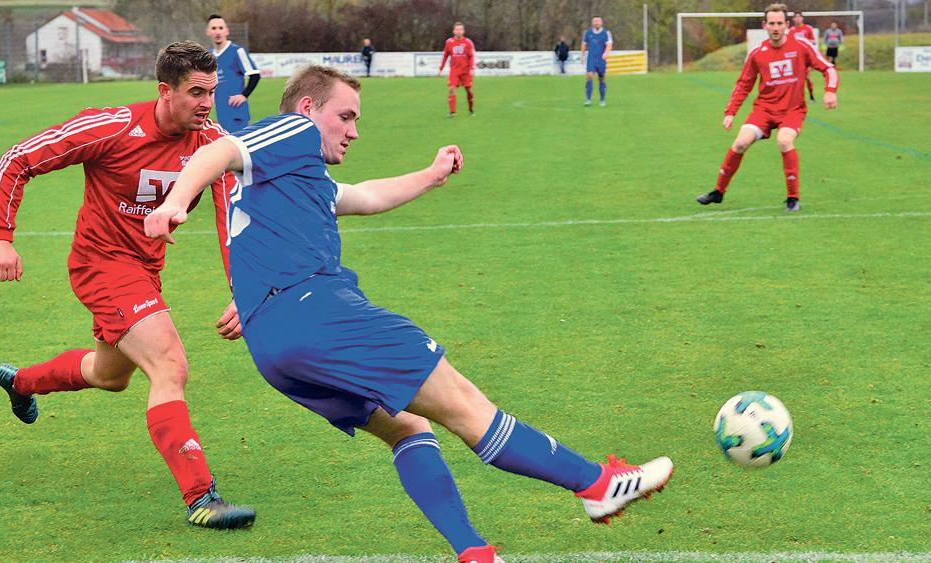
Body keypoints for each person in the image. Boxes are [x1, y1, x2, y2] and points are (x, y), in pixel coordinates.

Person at [145, 64, 674, 563]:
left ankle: (474, 552)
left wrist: (431, 174)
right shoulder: (294, 131)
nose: (353, 131)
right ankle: (597, 484)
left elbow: (365, 196)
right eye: (345, 116)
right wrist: (176, 202)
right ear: (307, 108)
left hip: (274, 348)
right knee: (467, 406)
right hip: (320, 313)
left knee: (408, 428)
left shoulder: (291, 180)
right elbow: (220, 151)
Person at [0, 40, 255, 529]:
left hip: (145, 272)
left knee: (112, 376)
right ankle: (202, 497)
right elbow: (17, 159)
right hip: (101, 265)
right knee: (170, 364)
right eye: (195, 92)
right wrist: (0, 237)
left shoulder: (210, 143)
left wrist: (246, 291)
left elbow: (231, 219)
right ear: (164, 91)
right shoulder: (112, 126)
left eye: (211, 92)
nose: (206, 104)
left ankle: (21, 382)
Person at [696, 3, 839, 212]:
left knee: (784, 140)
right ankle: (718, 192)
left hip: (792, 110)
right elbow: (743, 84)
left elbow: (828, 68)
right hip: (764, 110)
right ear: (765, 25)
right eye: (771, 23)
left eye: (779, 23)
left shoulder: (802, 46)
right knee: (739, 143)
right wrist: (730, 113)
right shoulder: (757, 53)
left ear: (786, 25)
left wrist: (830, 90)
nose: (775, 27)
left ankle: (793, 198)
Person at [206, 14, 260, 132]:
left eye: (221, 28)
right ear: (208, 32)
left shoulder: (237, 51)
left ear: (227, 31)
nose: (217, 32)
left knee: (238, 147)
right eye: (214, 28)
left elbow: (255, 75)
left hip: (236, 112)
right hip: (221, 111)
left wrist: (244, 95)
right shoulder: (209, 55)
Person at [438, 22, 475, 117]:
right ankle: (452, 112)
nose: (459, 31)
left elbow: (471, 57)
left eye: (461, 29)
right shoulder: (449, 42)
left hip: (466, 71)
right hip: (454, 70)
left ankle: (471, 110)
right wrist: (441, 68)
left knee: (469, 90)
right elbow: (445, 55)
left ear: (463, 31)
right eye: (457, 29)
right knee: (451, 89)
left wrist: (471, 68)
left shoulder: (467, 42)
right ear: (454, 31)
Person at [581, 16, 613, 107]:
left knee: (601, 78)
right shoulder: (588, 33)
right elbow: (584, 44)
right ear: (592, 23)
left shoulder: (606, 33)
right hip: (591, 59)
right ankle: (588, 99)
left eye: (598, 21)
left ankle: (602, 99)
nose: (596, 23)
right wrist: (582, 55)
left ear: (601, 22)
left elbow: (609, 44)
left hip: (601, 59)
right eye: (594, 21)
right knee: (589, 75)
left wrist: (606, 53)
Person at [787, 12, 816, 102]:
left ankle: (811, 96)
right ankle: (794, 98)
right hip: (795, 58)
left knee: (807, 77)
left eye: (799, 17)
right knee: (794, 78)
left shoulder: (808, 28)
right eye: (796, 17)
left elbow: (813, 42)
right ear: (793, 19)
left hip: (806, 58)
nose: (798, 19)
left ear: (802, 18)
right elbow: (789, 43)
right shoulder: (791, 30)